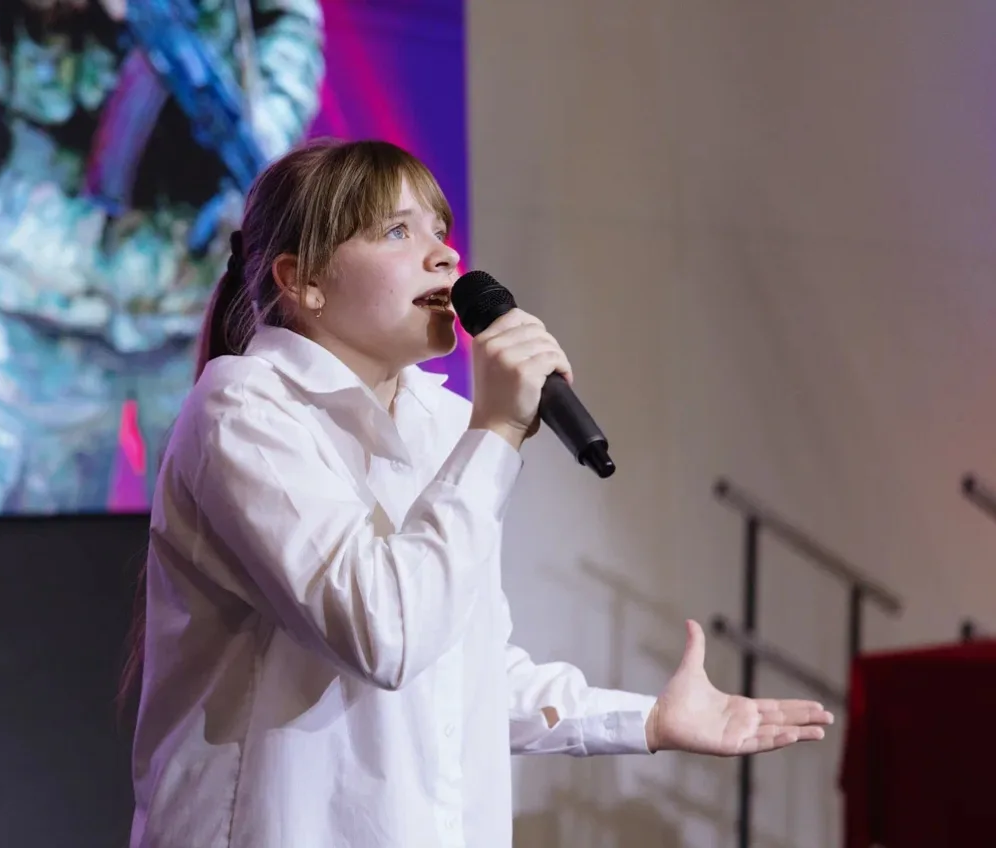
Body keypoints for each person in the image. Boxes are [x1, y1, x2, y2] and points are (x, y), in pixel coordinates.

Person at [119, 138, 835, 847]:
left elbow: (464, 672)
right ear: (302, 281)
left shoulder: (442, 423)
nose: (444, 256)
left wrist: (645, 721)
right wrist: (496, 430)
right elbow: (384, 635)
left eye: (441, 230)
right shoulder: (244, 406)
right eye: (398, 231)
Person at [0, 0, 325, 514]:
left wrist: (266, 135)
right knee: (18, 544)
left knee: (219, 534)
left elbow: (288, 22)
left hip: (200, 291)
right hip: (43, 282)